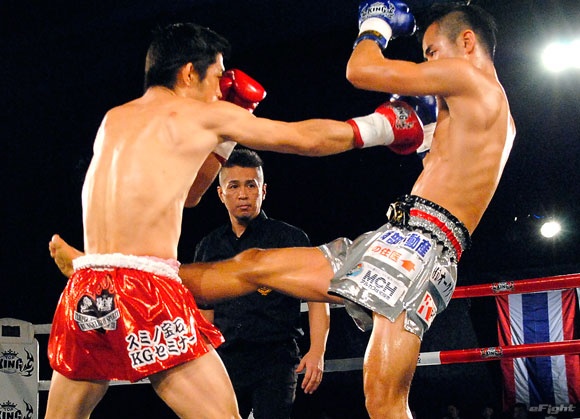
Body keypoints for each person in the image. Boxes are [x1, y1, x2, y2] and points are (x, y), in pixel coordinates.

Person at [45, 20, 434, 419]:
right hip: (146, 290)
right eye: (217, 76)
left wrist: (225, 140)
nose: (221, 88)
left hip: (87, 287)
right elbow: (302, 139)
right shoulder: (201, 115)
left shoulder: (114, 119)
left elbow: (191, 195)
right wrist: (382, 127)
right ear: (189, 73)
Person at [194, 148, 329, 418]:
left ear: (263, 190)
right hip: (225, 359)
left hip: (276, 358)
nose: (243, 194)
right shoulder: (208, 247)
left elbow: (318, 296)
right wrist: (202, 362)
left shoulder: (289, 239)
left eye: (251, 185)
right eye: (234, 186)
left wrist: (317, 351)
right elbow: (204, 312)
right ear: (221, 194)